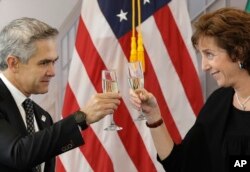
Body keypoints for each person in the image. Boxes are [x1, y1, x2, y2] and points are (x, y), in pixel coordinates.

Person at [130, 7, 250, 171]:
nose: (204, 66)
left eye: (209, 54)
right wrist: (153, 115)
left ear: (239, 51)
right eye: (202, 55)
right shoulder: (218, 102)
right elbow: (180, 164)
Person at [0, 17, 121, 172]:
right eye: (44, 63)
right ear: (13, 63)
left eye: (54, 62)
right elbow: (18, 154)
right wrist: (80, 118)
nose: (52, 72)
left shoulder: (42, 116)